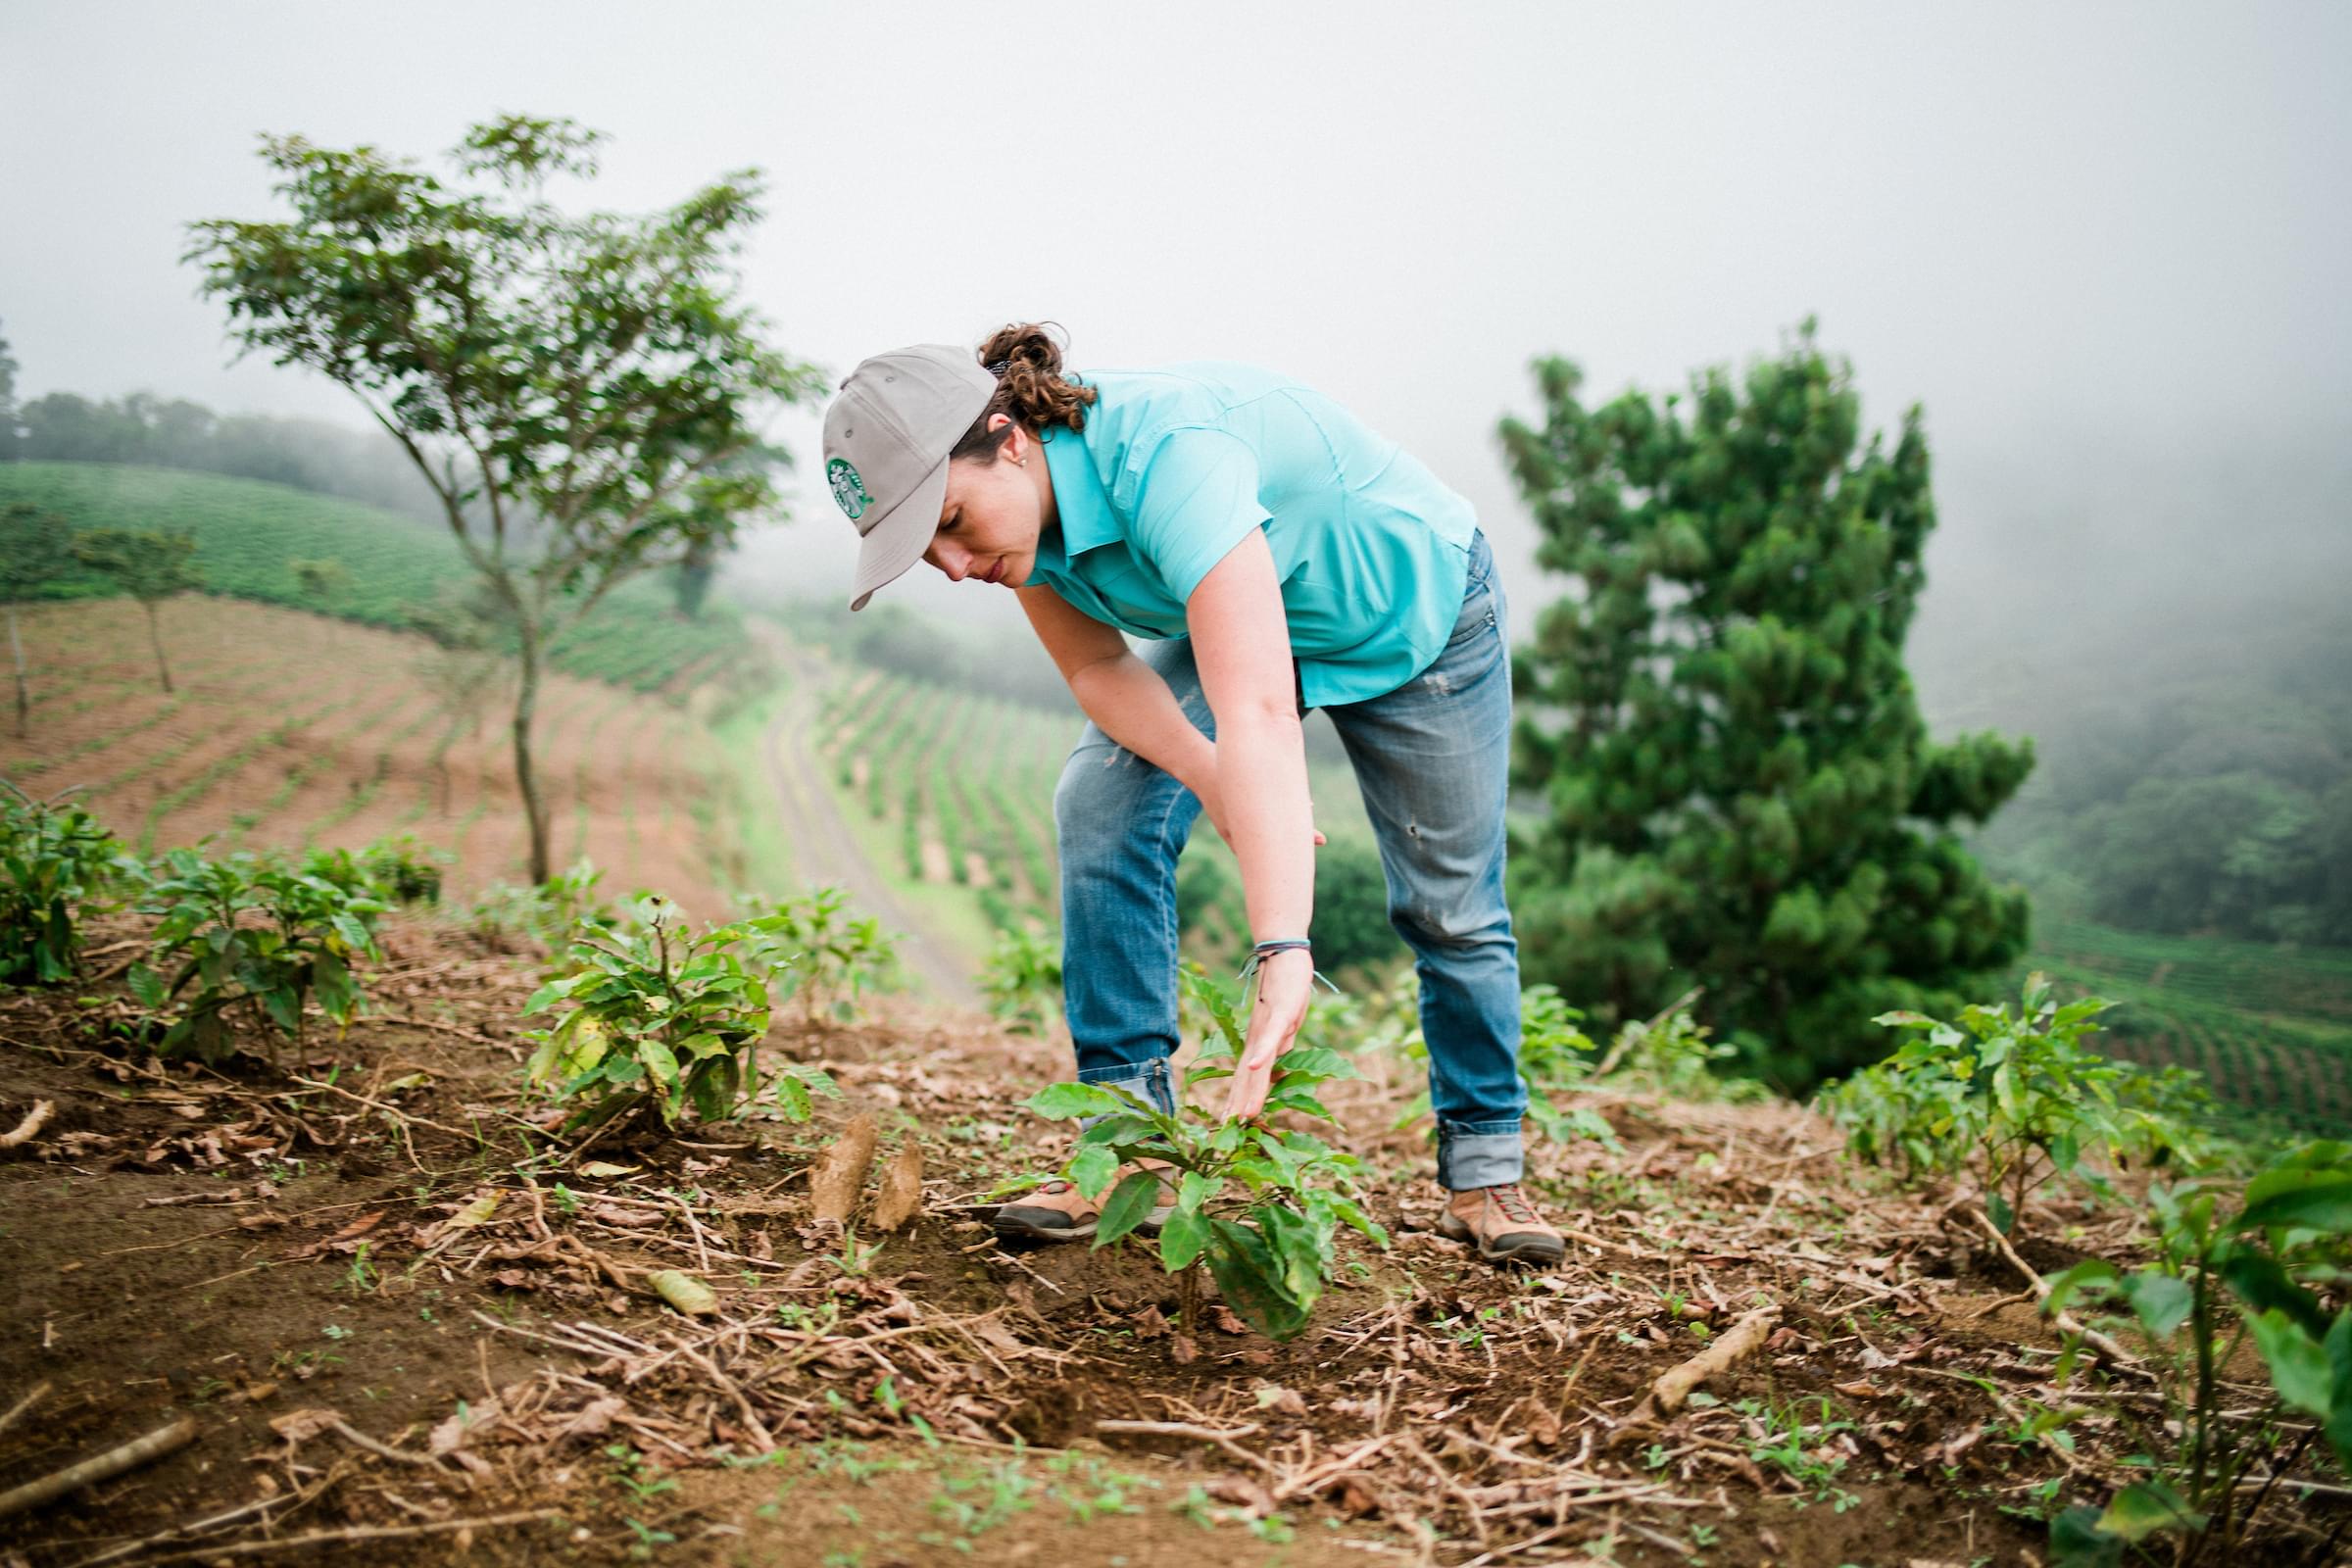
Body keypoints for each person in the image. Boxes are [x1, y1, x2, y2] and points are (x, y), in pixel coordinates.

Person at [818, 323, 1564, 1266]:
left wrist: (1283, 945)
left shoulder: (1168, 455)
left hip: (1413, 617)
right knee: (1101, 798)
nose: (957, 568)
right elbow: (1097, 669)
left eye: (954, 524)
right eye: (927, 551)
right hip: (1258, 622)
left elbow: (1254, 710)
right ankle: (1129, 1144)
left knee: (1449, 903)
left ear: (1010, 438)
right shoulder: (1025, 526)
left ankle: (1487, 1170)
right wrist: (1211, 779)